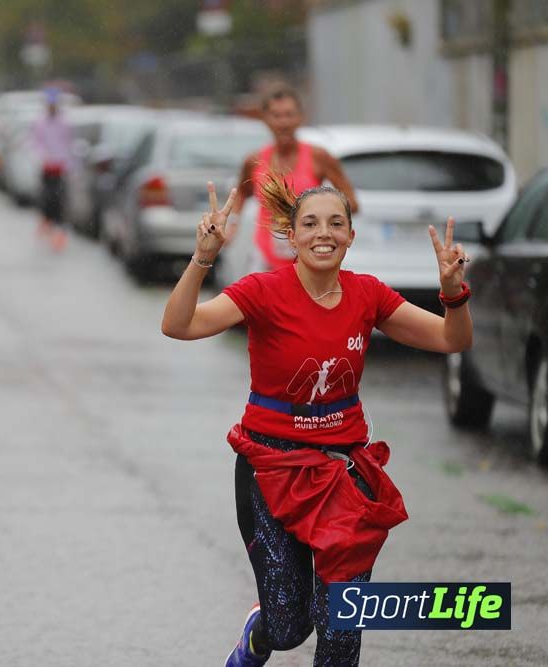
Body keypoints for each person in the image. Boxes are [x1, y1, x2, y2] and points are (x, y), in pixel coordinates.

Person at [161, 177, 472, 666]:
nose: (322, 233)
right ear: (292, 235)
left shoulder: (368, 295)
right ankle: (258, 637)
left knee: (341, 624)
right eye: (310, 224)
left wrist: (452, 294)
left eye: (335, 223)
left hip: (343, 475)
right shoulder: (263, 291)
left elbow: (451, 340)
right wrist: (203, 258)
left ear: (351, 236)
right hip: (271, 468)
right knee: (289, 625)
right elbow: (178, 326)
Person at [233, 86, 359, 271]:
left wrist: (321, 212)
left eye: (289, 115)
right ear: (265, 119)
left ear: (301, 117)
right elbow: (240, 194)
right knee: (258, 299)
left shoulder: (319, 157)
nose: (283, 122)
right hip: (265, 256)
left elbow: (352, 203)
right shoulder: (254, 161)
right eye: (276, 115)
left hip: (311, 253)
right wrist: (231, 224)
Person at [29, 87, 73, 251]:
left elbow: (68, 144)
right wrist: (43, 157)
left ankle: (59, 232)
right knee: (47, 199)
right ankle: (47, 223)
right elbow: (35, 143)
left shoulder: (64, 123)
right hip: (47, 168)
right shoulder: (40, 122)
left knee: (60, 201)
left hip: (60, 169)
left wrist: (67, 163)